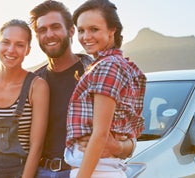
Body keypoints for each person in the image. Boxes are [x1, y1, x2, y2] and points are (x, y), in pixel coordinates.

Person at [29, 1, 136, 177]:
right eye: (42, 30)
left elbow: (130, 137)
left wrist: (117, 147)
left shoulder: (98, 72)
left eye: (55, 27)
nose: (49, 34)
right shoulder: (33, 82)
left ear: (71, 30)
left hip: (84, 172)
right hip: (42, 172)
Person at [64, 0, 146, 177]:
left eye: (94, 29)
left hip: (96, 171)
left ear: (112, 30)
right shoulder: (120, 64)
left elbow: (100, 134)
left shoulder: (107, 67)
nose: (86, 37)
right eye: (81, 30)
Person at [0, 19, 49, 178]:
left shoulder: (37, 86)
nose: (11, 50)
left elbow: (36, 147)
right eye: (6, 42)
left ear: (28, 50)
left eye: (19, 45)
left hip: (21, 172)